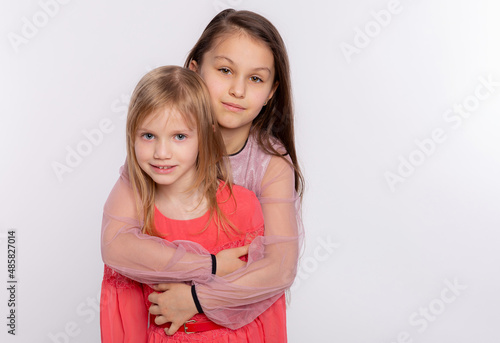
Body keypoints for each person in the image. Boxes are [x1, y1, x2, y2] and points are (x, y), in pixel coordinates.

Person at [100, 8, 304, 341]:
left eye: (255, 78)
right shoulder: (163, 150)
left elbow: (280, 267)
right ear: (195, 70)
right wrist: (207, 265)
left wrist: (196, 299)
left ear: (271, 91)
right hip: (160, 321)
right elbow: (116, 245)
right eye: (225, 70)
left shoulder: (269, 165)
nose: (237, 90)